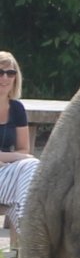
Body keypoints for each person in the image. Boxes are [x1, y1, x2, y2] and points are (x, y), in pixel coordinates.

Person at [0, 51, 40, 232]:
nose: (5, 78)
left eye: (10, 73)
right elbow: (21, 155)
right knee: (31, 167)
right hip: (7, 173)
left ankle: (27, 230)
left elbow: (25, 149)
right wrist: (13, 156)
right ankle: (30, 236)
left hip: (6, 173)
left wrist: (6, 158)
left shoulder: (16, 108)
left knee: (32, 166)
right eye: (0, 72)